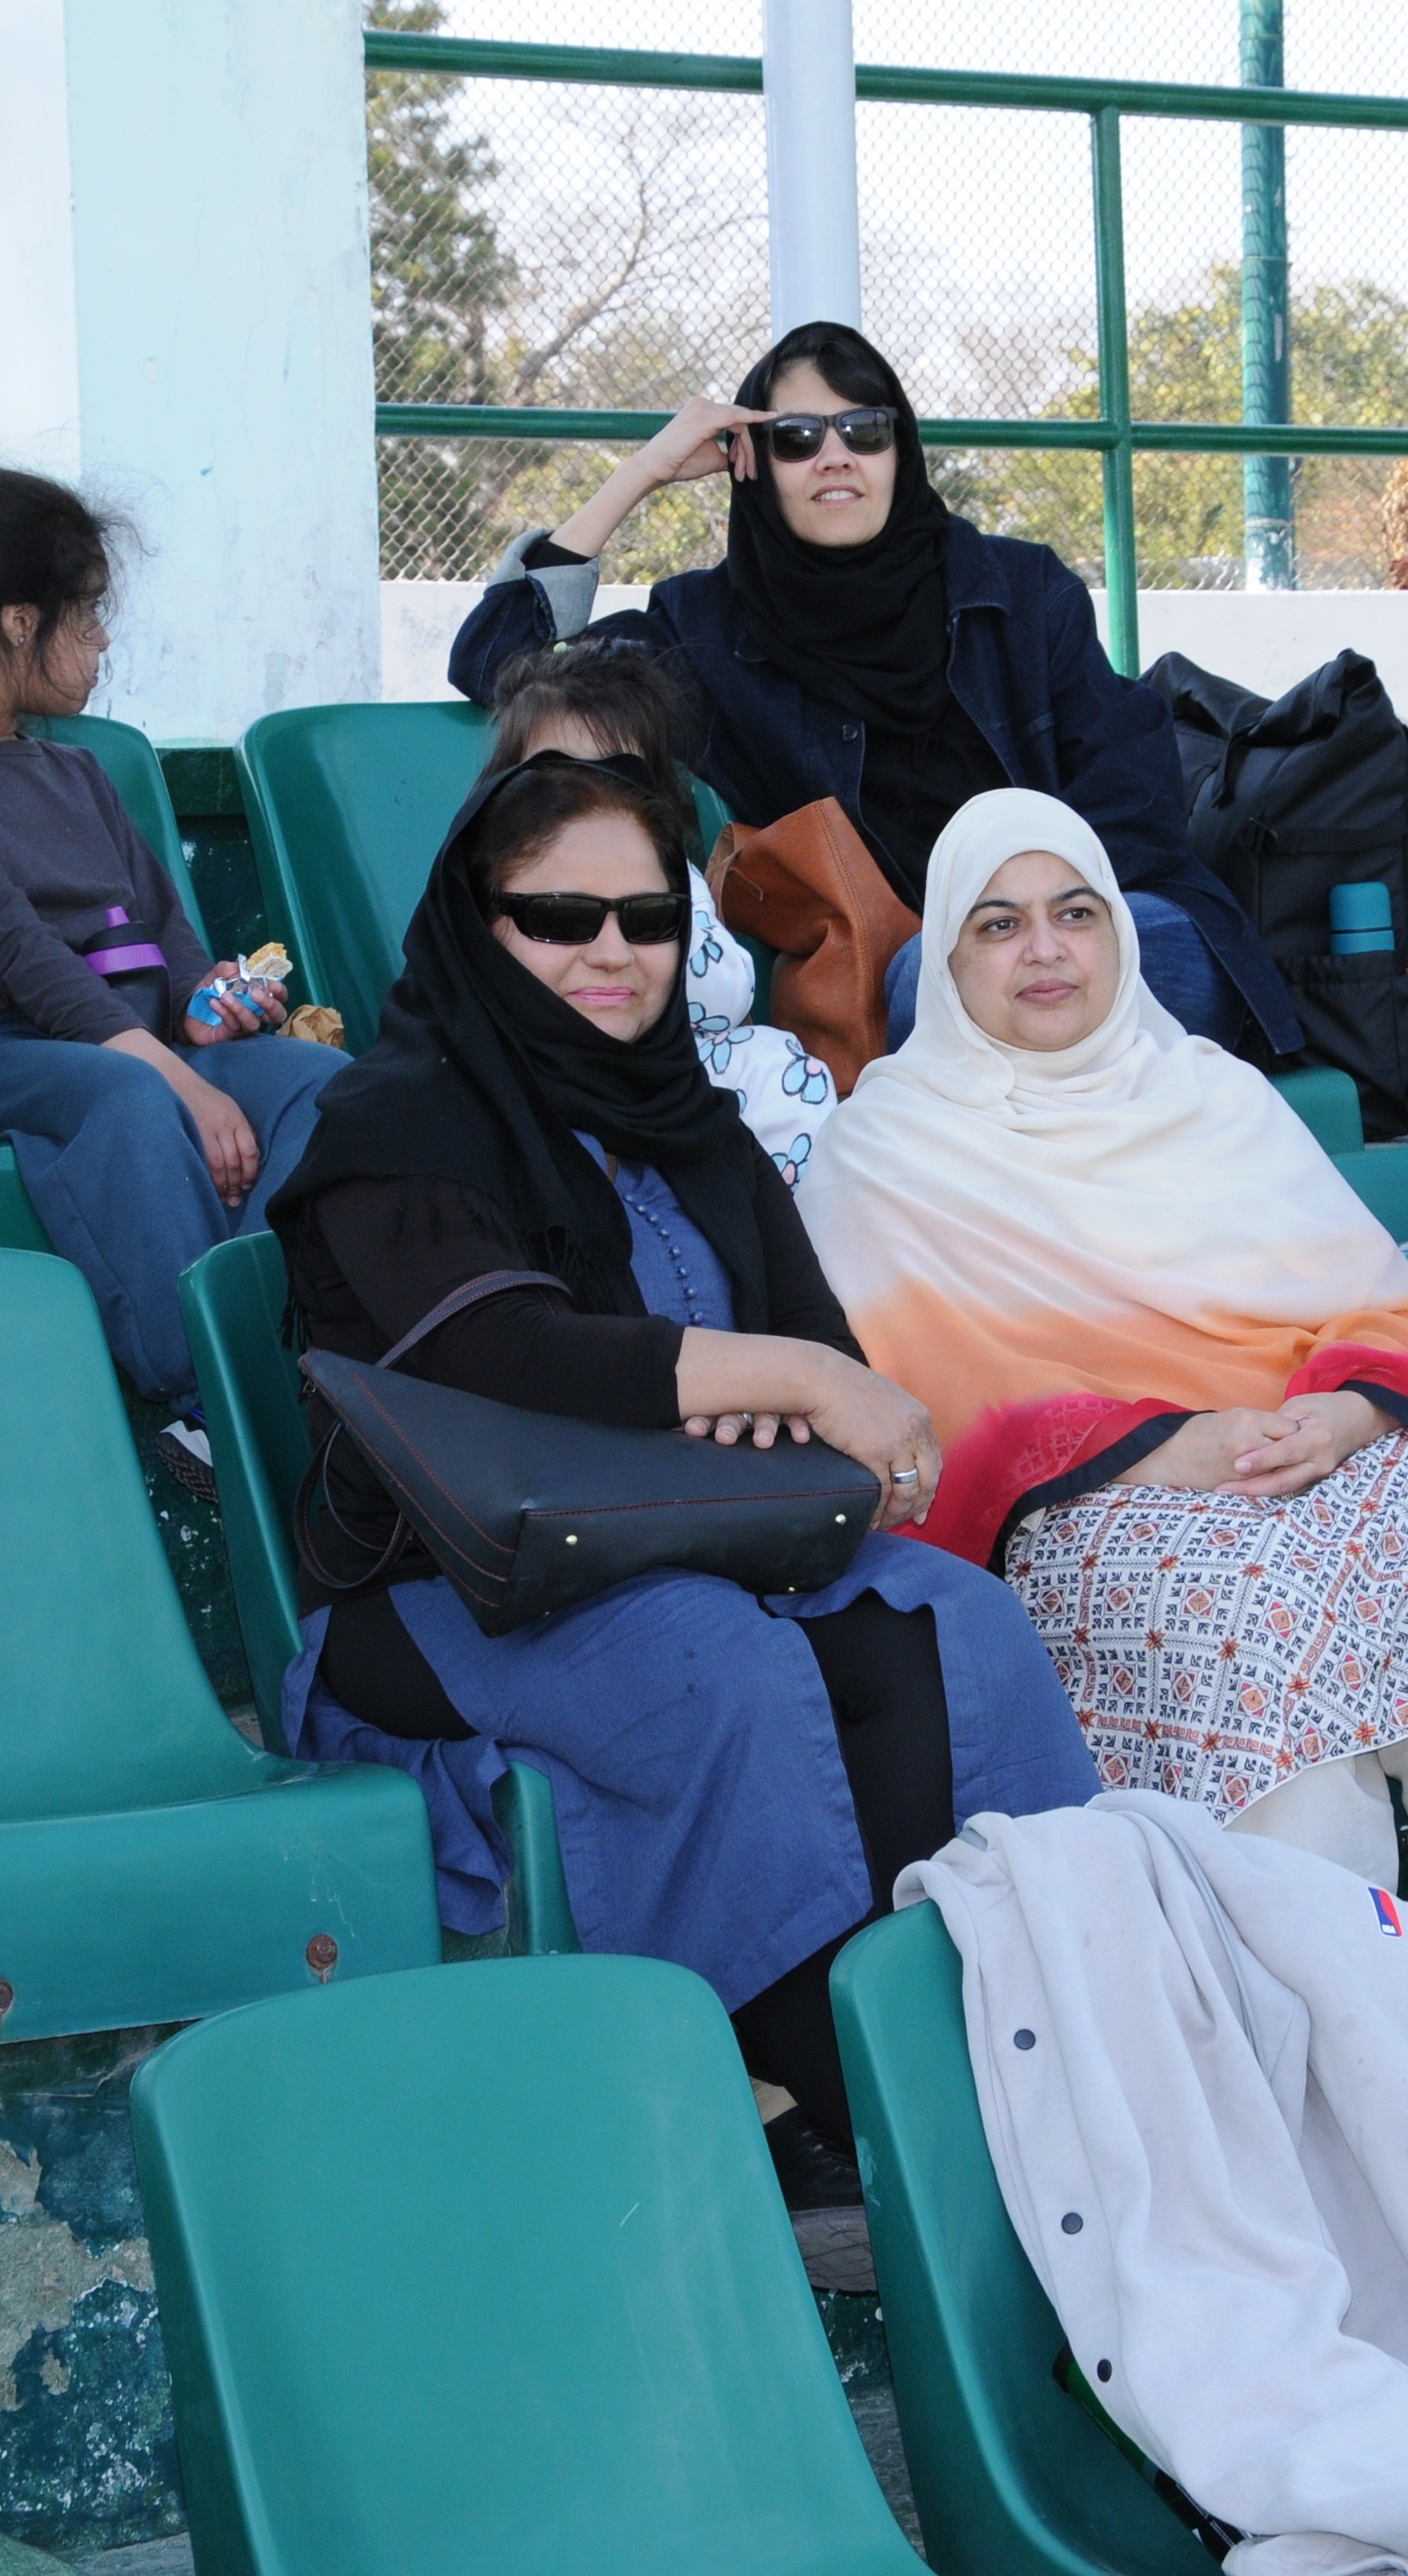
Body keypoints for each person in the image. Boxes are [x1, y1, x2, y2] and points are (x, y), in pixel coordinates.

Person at [266, 749, 1098, 2217]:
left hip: (713, 1538)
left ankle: (995, 2043)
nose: (608, 952)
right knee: (732, 1676)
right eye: (558, 917)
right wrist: (784, 1380)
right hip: (463, 1583)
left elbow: (815, 1337)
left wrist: (821, 1395)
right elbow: (499, 1348)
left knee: (953, 1626)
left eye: (643, 918)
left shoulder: (684, 1115)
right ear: (476, 921)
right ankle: (847, 2116)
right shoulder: (391, 1124)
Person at [804, 789, 1408, 1889]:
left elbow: (1380, 1312)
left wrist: (1348, 1412)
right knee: (1268, 1668)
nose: (1045, 948)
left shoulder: (1212, 1095)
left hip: (1320, 1452)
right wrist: (1158, 1450)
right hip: (1090, 1502)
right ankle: (1350, 2036)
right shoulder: (883, 1149)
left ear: (1121, 934)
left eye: (1075, 912)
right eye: (997, 923)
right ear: (944, 960)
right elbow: (929, 1396)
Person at [443, 319, 1294, 1057]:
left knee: (1103, 967)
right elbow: (501, 660)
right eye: (798, 436)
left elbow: (1129, 780)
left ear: (901, 448)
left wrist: (1033, 917)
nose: (836, 455)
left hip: (1104, 929)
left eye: (864, 428)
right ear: (752, 462)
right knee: (940, 985)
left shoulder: (1022, 590)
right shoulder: (706, 634)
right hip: (919, 975)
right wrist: (646, 472)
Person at [0, 466, 343, 1495]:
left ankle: (289, 1354)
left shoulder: (74, 770)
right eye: (89, 616)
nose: (103, 641)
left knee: (320, 1085)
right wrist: (180, 1079)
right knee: (127, 1096)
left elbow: (164, 924)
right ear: (19, 622)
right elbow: (20, 963)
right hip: (0, 1057)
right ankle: (209, 1393)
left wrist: (212, 1004)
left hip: (135, 1043)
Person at [476, 640, 837, 1185]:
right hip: (545, 1068)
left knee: (777, 1063)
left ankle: (781, 1213)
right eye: (554, 780)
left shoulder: (672, 882)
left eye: (615, 779)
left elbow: (724, 1002)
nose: (585, 802)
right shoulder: (494, 882)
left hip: (666, 1072)